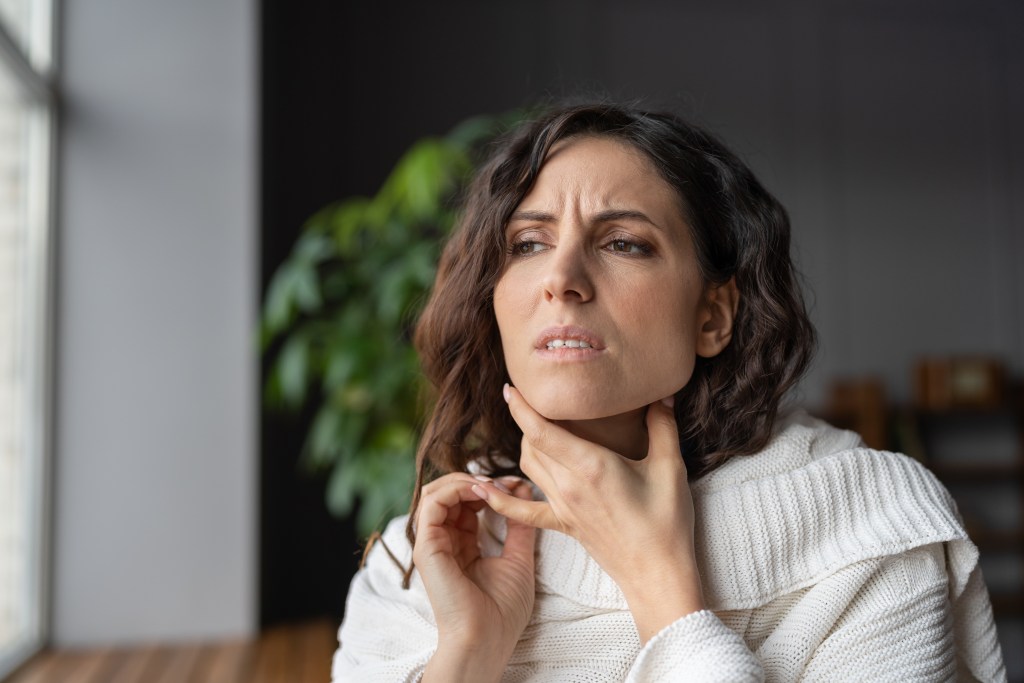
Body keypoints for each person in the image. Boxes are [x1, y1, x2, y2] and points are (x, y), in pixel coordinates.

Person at [331, 103, 1007, 681]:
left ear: (711, 315)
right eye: (528, 243)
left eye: (623, 243)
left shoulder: (869, 525)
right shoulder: (423, 560)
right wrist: (466, 657)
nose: (561, 278)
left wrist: (663, 588)